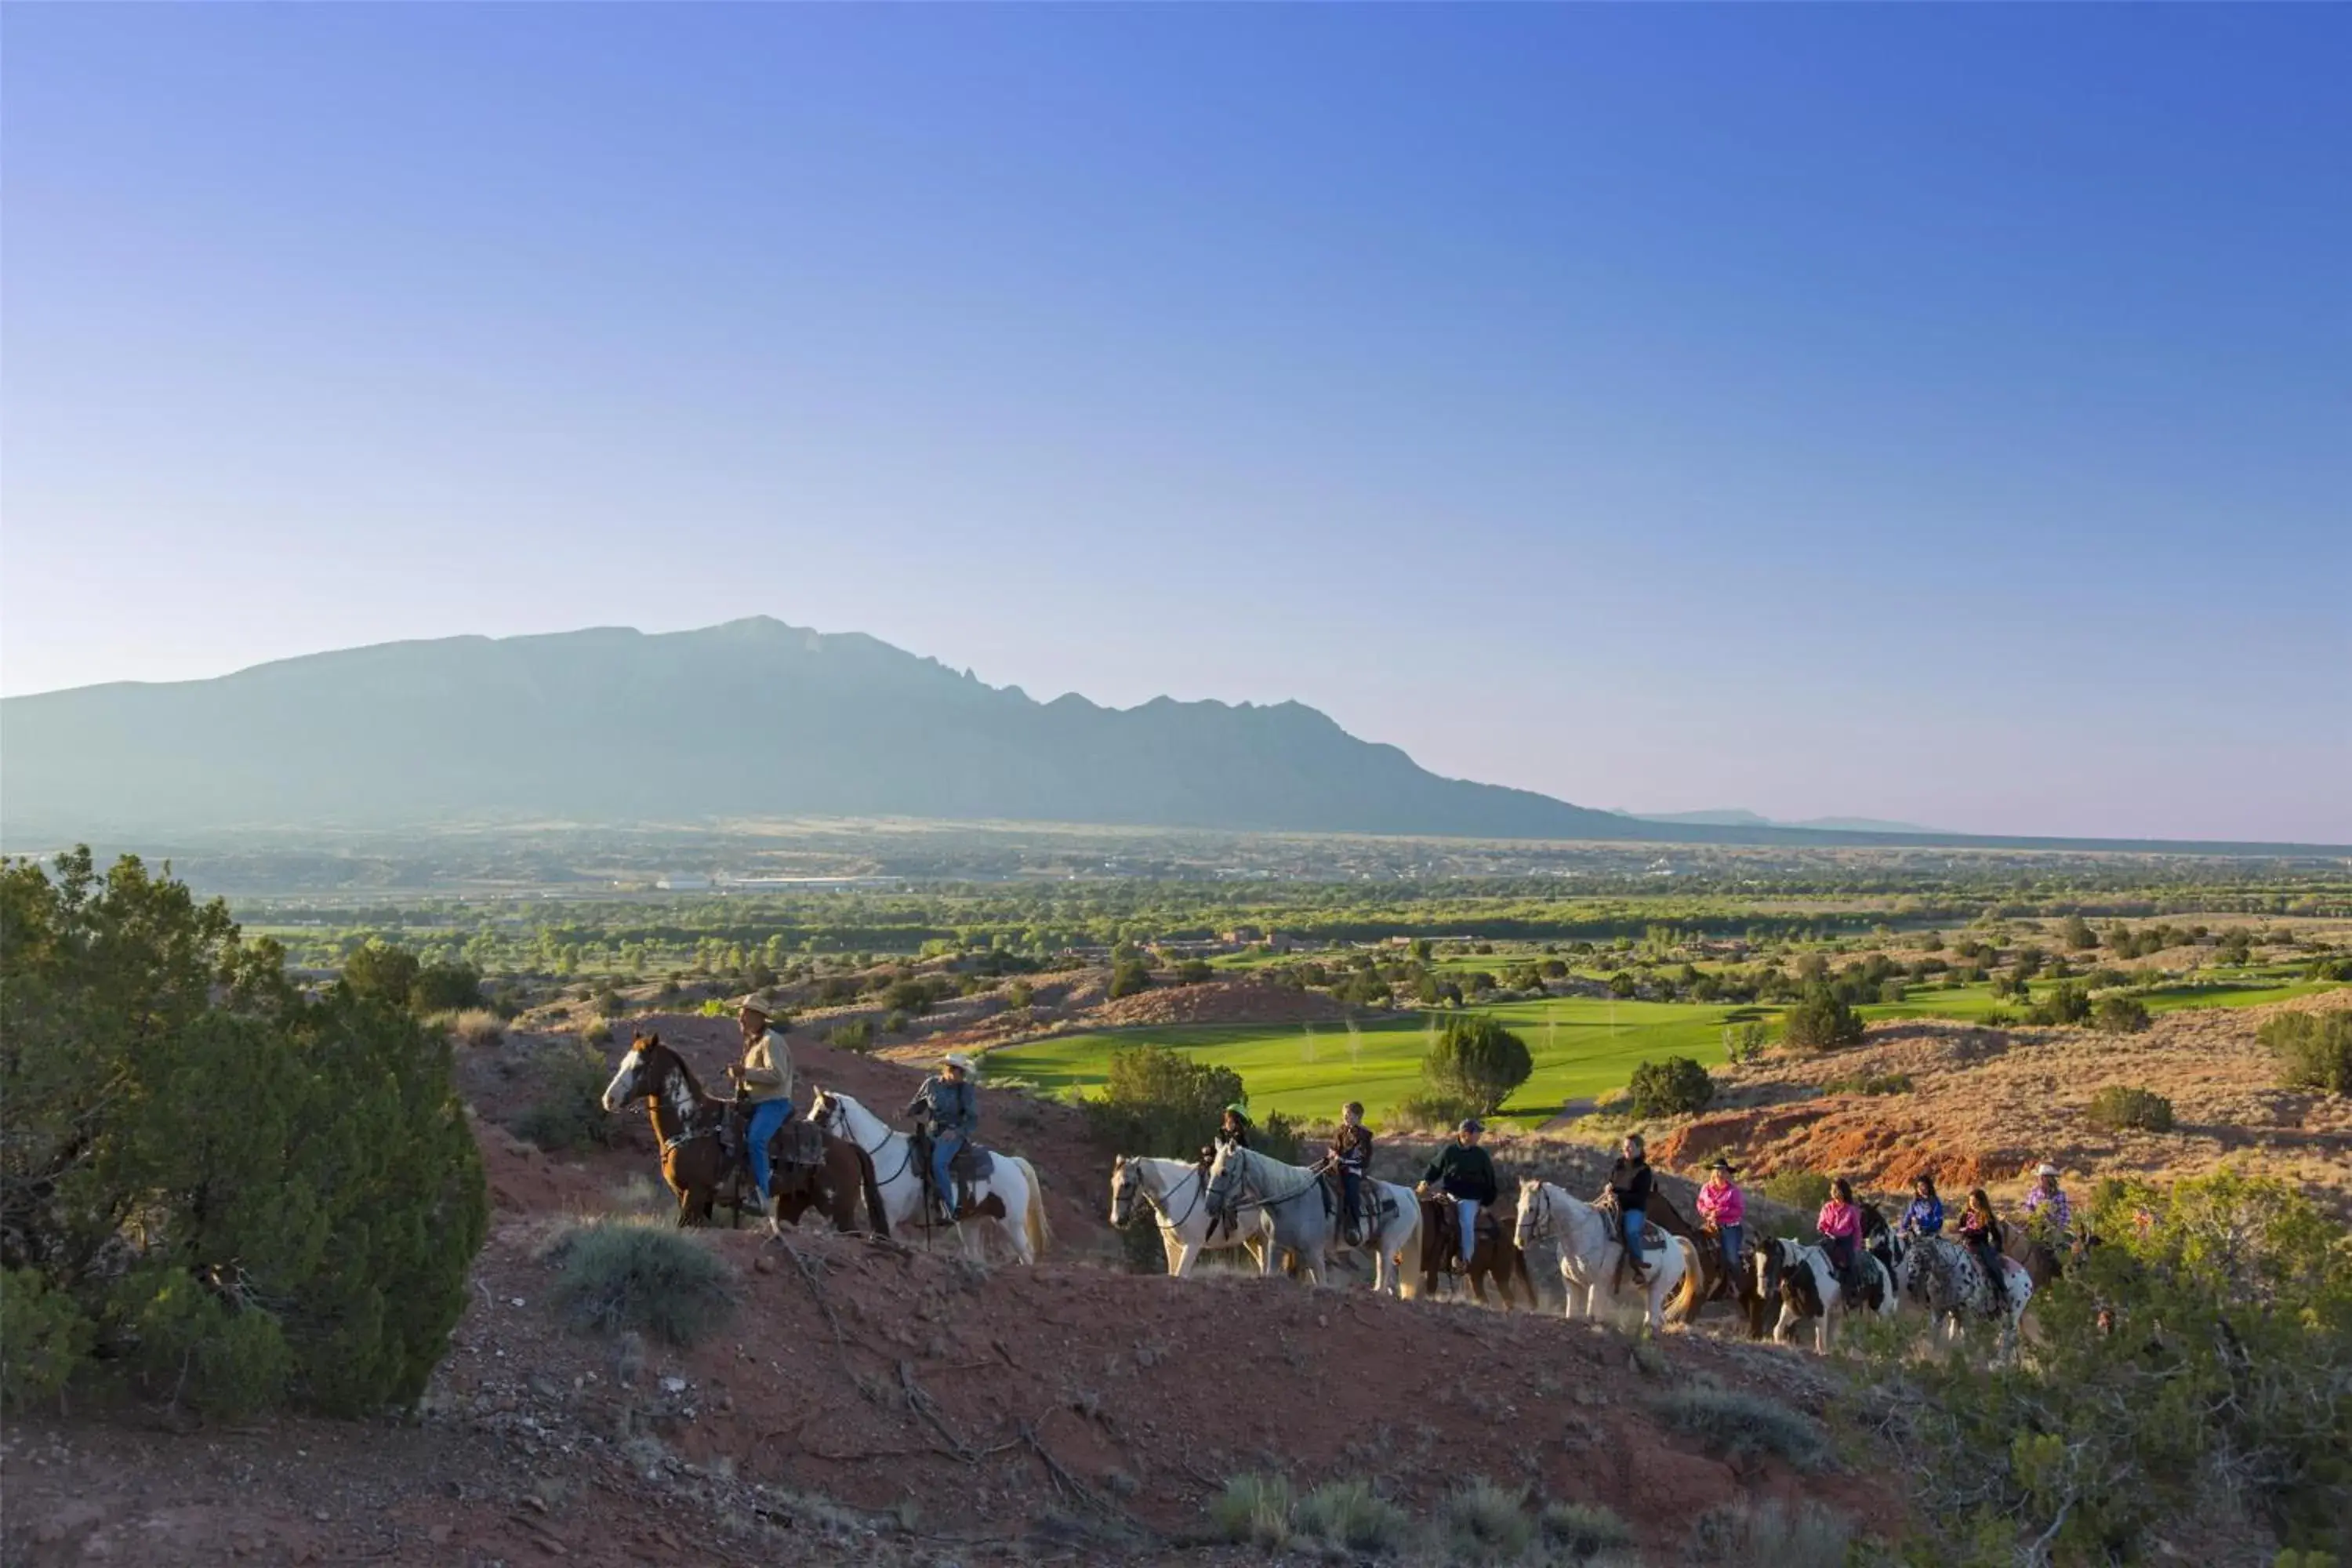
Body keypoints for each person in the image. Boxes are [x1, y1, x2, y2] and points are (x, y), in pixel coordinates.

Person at [725, 1000, 796, 1226]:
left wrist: (745, 1072)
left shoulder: (770, 1041)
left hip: (773, 1103)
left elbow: (778, 1075)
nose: (741, 1019)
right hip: (754, 1103)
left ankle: (763, 1197)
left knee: (756, 1139)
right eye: (740, 1015)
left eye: (744, 1015)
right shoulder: (753, 1043)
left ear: (758, 1017)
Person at [905, 1053, 980, 1225]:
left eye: (963, 1073)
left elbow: (973, 1118)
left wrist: (957, 1132)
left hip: (953, 1134)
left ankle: (949, 1208)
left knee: (938, 1163)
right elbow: (919, 1104)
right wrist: (907, 1110)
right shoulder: (931, 1084)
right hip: (932, 1131)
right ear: (949, 1070)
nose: (962, 1077)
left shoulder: (965, 1090)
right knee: (911, 1155)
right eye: (960, 1072)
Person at [1419, 1120, 1499, 1273]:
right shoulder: (1449, 1151)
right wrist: (1426, 1181)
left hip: (1470, 1199)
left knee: (1466, 1224)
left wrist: (1486, 1202)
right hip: (1448, 1195)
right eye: (1477, 1132)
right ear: (1466, 1134)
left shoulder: (1480, 1155)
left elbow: (1490, 1180)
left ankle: (1465, 1261)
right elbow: (1436, 1167)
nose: (1480, 1136)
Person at [1607, 1134, 1656, 1284]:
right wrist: (1608, 1187)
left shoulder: (1644, 1170)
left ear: (1639, 1149)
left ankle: (1638, 1267)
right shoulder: (1618, 1163)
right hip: (1612, 1204)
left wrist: (1619, 1197)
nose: (1626, 1149)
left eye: (1630, 1146)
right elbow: (1611, 1181)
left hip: (1633, 1209)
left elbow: (1641, 1196)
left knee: (1631, 1231)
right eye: (1625, 1146)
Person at [1694, 1158, 1745, 1292]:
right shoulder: (1706, 1188)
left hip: (1730, 1228)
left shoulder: (1733, 1191)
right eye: (1717, 1170)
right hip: (1711, 1227)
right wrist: (1706, 1212)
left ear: (1727, 1173)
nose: (1720, 1173)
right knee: (1698, 1248)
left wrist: (1721, 1212)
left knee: (1731, 1257)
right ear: (1713, 1172)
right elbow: (1700, 1203)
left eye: (1723, 1170)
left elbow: (1739, 1210)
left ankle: (1740, 1285)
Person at [1329, 1102, 1374, 1245]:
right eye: (1344, 1114)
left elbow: (1361, 1158)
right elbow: (1334, 1147)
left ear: (1358, 1117)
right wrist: (1333, 1154)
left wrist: (1343, 1160)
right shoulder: (1339, 1131)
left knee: (1351, 1191)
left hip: (1353, 1169)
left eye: (1349, 1114)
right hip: (1337, 1166)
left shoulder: (1364, 1135)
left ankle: (1354, 1225)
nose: (1345, 1117)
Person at [1958, 1188, 2009, 1308]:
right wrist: (1964, 1233)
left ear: (1981, 1201)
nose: (1972, 1203)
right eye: (1970, 1200)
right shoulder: (1965, 1214)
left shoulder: (1986, 1215)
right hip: (1966, 1245)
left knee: (1992, 1266)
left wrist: (1997, 1247)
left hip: (1981, 1245)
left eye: (1974, 1200)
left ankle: (2003, 1293)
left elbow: (1992, 1234)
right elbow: (1960, 1228)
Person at [1817, 1178, 1865, 1298]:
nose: (1832, 1192)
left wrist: (1856, 1246)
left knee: (1851, 1263)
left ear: (1843, 1191)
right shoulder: (1827, 1207)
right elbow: (1821, 1225)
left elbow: (1857, 1230)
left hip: (1846, 1241)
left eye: (1836, 1190)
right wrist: (1827, 1231)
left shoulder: (1852, 1209)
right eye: (1831, 1190)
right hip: (1829, 1239)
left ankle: (1853, 1291)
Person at [2022, 1163, 2071, 1243]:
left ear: (2049, 1179)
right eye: (2039, 1177)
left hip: (2053, 1229)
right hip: (2035, 1227)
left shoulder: (2059, 1195)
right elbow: (2028, 1207)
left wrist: (2054, 1224)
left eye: (2042, 1177)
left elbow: (2065, 1215)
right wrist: (2031, 1216)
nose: (2040, 1179)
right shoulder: (2034, 1192)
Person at [1900, 1174, 1946, 1240]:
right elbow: (1908, 1216)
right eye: (1918, 1187)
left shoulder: (1935, 1201)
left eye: (1922, 1186)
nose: (1920, 1189)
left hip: (1930, 1233)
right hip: (1915, 1232)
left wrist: (1925, 1227)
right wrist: (1903, 1229)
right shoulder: (1915, 1201)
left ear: (1928, 1186)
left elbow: (1938, 1220)